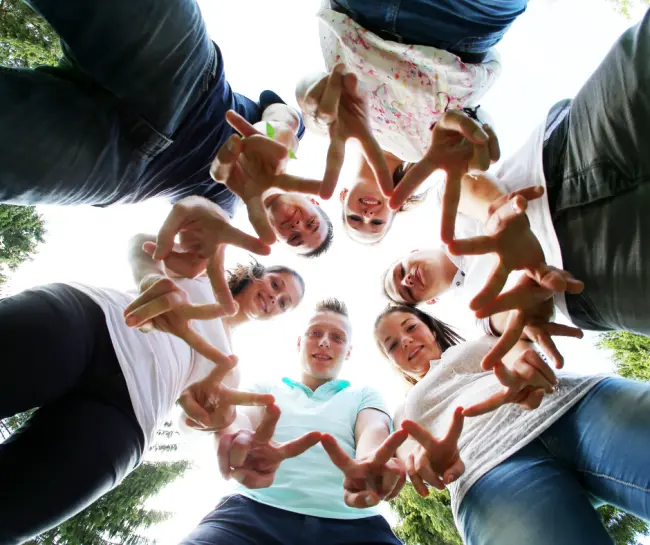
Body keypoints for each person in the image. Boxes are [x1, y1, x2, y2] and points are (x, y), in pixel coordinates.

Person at [0, 232, 305, 544]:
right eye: (276, 284)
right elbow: (143, 244)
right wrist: (150, 277)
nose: (274, 298)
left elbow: (218, 425)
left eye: (284, 303)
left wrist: (236, 439)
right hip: (94, 323)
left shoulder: (231, 370)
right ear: (258, 275)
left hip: (128, 415)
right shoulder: (201, 272)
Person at [386, 9, 650, 364]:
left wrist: (497, 213)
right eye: (407, 293)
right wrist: (526, 312)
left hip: (569, 156)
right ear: (429, 303)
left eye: (400, 270)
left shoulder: (442, 208)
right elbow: (502, 324)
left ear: (415, 249)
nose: (407, 279)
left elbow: (465, 186)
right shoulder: (471, 309)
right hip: (588, 279)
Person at [0, 0, 334, 256]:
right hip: (182, 77)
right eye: (310, 223)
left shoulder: (218, 217)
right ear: (314, 201)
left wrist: (152, 268)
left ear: (275, 237)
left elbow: (156, 248)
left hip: (119, 166)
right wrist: (273, 131)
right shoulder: (288, 143)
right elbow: (283, 116)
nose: (296, 225)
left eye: (294, 237)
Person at [374, 304, 650, 545]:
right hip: (487, 470)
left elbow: (514, 322)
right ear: (392, 363)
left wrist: (523, 357)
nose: (406, 341)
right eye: (393, 345)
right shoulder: (403, 411)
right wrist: (430, 461)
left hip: (572, 405)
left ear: (431, 329)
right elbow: (412, 455)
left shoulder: (484, 339)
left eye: (410, 327)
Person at [295, 0, 527, 242]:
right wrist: (476, 134)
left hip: (360, 12)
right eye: (377, 222)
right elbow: (471, 117)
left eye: (354, 218)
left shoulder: (339, 130)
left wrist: (309, 98)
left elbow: (310, 88)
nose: (366, 215)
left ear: (343, 196)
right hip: (461, 26)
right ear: (396, 208)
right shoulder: (430, 153)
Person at [179, 299, 406, 545]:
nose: (324, 342)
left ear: (349, 351)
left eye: (337, 338)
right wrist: (230, 430)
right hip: (250, 514)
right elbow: (240, 419)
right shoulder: (264, 389)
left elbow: (374, 429)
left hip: (356, 524)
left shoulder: (365, 394)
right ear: (299, 342)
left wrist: (369, 462)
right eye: (315, 333)